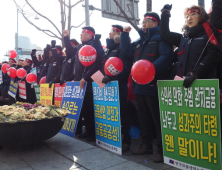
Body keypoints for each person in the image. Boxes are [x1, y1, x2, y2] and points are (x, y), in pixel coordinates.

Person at [121, 12, 174, 162]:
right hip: (139, 86)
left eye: (147, 21)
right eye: (142, 21)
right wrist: (125, 35)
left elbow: (167, 57)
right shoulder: (141, 41)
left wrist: (149, 71)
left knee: (157, 120)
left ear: (156, 23)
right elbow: (126, 52)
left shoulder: (161, 38)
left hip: (153, 85)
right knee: (143, 118)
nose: (143, 23)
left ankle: (162, 150)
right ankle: (146, 145)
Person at [160, 5, 220, 88]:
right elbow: (165, 34)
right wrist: (165, 14)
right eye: (187, 16)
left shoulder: (211, 35)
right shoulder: (183, 38)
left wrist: (195, 75)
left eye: (193, 15)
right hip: (183, 85)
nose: (189, 18)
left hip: (203, 86)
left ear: (202, 16)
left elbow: (212, 57)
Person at [63, 26, 104, 141]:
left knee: (91, 108)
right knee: (85, 108)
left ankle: (94, 133)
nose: (80, 35)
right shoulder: (80, 47)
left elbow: (97, 64)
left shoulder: (95, 45)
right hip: (80, 82)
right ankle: (89, 130)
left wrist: (85, 78)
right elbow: (70, 51)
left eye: (83, 33)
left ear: (90, 35)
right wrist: (66, 37)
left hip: (90, 83)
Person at [101, 25, 133, 152]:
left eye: (113, 31)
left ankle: (127, 141)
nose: (110, 33)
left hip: (119, 86)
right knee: (111, 115)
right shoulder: (110, 49)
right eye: (110, 30)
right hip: (108, 87)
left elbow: (126, 68)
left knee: (123, 115)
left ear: (119, 33)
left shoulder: (122, 48)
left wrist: (113, 78)